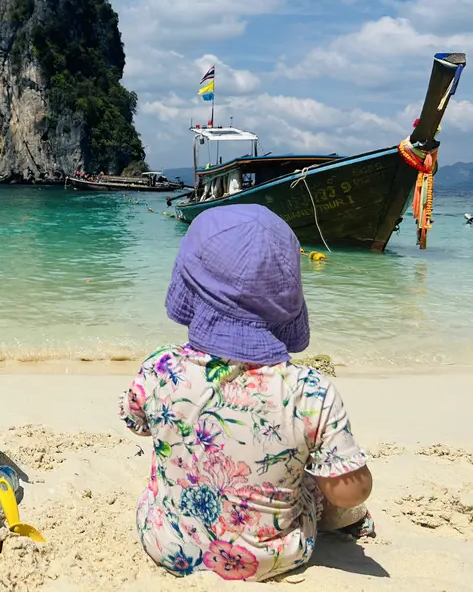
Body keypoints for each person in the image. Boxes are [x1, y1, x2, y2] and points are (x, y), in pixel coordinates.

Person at [119, 204, 373, 582]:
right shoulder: (309, 392)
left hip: (169, 545)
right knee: (318, 481)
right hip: (272, 558)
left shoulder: (160, 368)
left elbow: (136, 422)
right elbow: (349, 492)